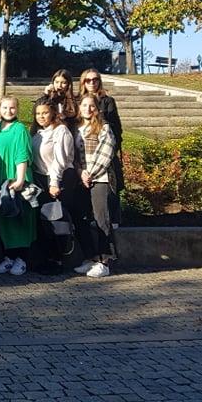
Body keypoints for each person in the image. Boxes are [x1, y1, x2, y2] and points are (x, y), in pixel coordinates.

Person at [0, 96, 37, 276]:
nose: (8, 111)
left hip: (15, 178)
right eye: (5, 108)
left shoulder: (20, 129)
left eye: (12, 108)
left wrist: (20, 179)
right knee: (4, 217)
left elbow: (22, 154)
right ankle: (8, 257)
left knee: (19, 218)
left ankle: (21, 259)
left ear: (17, 109)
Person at [73, 94, 118, 278]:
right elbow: (73, 155)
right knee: (80, 218)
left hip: (99, 179)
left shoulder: (104, 128)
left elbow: (106, 153)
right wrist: (80, 172)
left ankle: (104, 261)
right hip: (81, 178)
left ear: (97, 109)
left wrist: (90, 174)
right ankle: (91, 257)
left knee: (101, 219)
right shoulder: (76, 129)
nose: (88, 109)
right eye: (84, 105)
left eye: (91, 106)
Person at [30, 101, 76, 275]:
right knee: (43, 222)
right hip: (40, 180)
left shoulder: (61, 131)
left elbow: (60, 159)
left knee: (55, 221)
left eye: (45, 113)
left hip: (56, 179)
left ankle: (58, 259)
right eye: (38, 113)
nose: (41, 116)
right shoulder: (37, 133)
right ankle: (46, 258)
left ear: (53, 113)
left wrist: (54, 182)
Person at [78, 68, 124, 228]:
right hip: (82, 165)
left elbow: (115, 128)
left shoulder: (107, 101)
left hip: (103, 157)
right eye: (88, 80)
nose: (92, 83)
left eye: (95, 79)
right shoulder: (78, 100)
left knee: (105, 205)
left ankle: (113, 222)